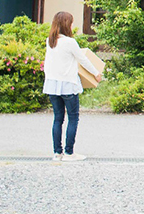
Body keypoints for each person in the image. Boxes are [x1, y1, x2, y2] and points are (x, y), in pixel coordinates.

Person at [43, 11, 101, 162]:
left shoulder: (50, 41)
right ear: (66, 24)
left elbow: (47, 64)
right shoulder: (70, 42)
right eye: (71, 22)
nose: (72, 25)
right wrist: (96, 73)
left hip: (52, 86)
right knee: (73, 118)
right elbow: (83, 60)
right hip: (68, 85)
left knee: (58, 119)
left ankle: (57, 153)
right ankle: (69, 153)